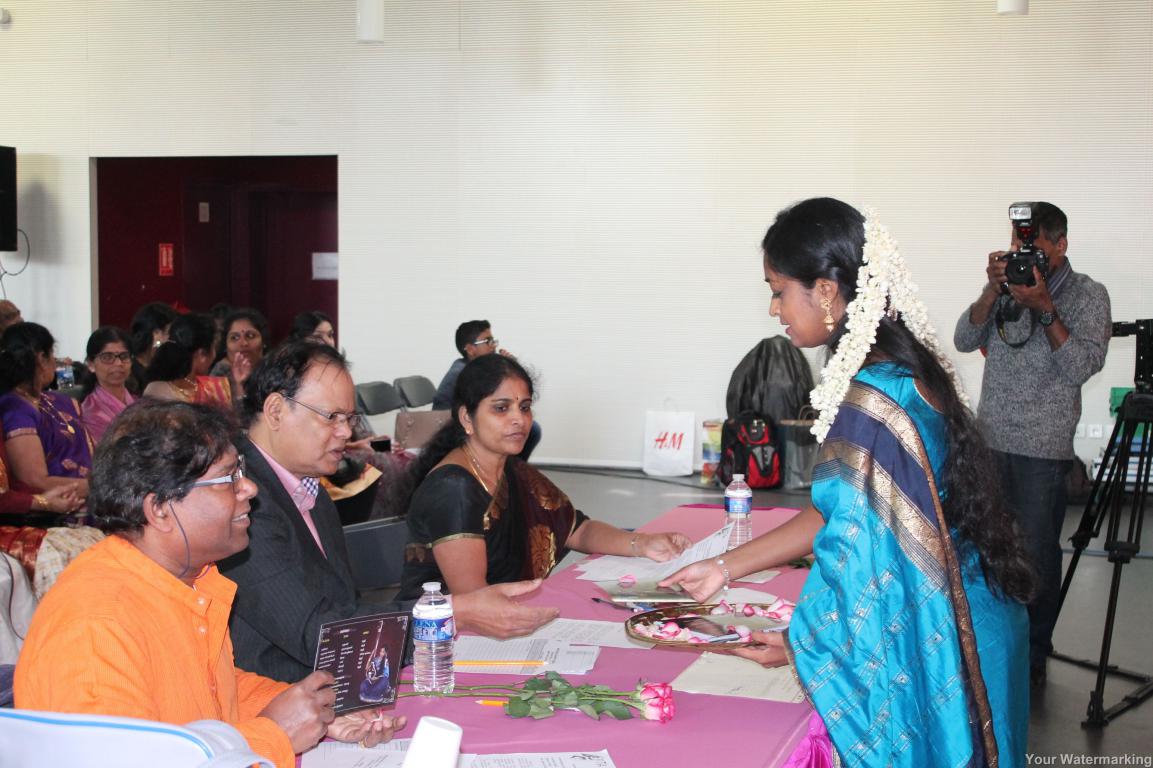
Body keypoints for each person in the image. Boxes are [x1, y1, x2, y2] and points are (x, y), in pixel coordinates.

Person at [662, 198, 1033, 767]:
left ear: (826, 291)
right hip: (973, 619)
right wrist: (722, 568)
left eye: (778, 290)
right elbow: (835, 510)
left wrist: (800, 644)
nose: (773, 308)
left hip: (944, 644)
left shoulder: (873, 400)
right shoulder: (897, 370)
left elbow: (856, 563)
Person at [14, 400, 404, 768]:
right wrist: (275, 732)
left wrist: (312, 709)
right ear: (159, 509)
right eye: (228, 479)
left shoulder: (187, 578)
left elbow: (213, 692)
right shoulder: (95, 626)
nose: (249, 488)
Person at [218, 341, 560, 683]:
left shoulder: (311, 491)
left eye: (349, 418)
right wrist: (452, 613)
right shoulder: (240, 500)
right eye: (331, 417)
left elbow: (344, 608)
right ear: (276, 411)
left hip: (338, 683)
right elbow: (318, 634)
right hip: (275, 697)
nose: (346, 432)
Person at [953, 201, 1111, 688]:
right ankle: (987, 640)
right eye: (1019, 245)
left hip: (1043, 447)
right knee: (983, 545)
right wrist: (991, 289)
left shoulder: (1088, 295)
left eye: (1036, 247)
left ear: (1061, 245)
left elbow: (1081, 366)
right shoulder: (1005, 290)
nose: (1025, 256)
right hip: (991, 437)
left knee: (1036, 555)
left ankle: (1034, 653)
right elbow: (964, 339)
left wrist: (1045, 309)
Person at [398, 353, 691, 602]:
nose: (519, 419)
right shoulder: (454, 489)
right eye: (501, 408)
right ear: (466, 418)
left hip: (501, 614)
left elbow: (578, 529)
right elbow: (475, 602)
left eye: (524, 407)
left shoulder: (512, 470)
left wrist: (642, 544)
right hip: (440, 636)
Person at [0, 322, 92, 503]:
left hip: (88, 496)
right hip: (57, 508)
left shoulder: (58, 401)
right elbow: (35, 481)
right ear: (41, 358)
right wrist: (100, 488)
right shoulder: (16, 410)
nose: (55, 362)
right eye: (53, 355)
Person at [434, 320, 542, 459]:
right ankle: (510, 467)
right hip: (453, 428)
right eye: (487, 341)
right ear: (470, 349)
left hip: (467, 423)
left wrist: (509, 366)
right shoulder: (462, 372)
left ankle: (510, 467)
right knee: (532, 430)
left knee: (531, 429)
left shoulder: (477, 369)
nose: (493, 346)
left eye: (493, 341)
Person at [143, 313, 235, 406]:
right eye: (213, 347)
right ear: (202, 354)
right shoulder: (216, 390)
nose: (214, 355)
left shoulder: (154, 389)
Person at [79, 326, 136, 443]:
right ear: (91, 364)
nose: (118, 363)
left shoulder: (139, 401)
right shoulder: (90, 412)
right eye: (107, 357)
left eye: (124, 356)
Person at [127, 302, 179, 396]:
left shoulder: (166, 370)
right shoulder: (128, 374)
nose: (174, 341)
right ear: (156, 334)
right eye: (170, 334)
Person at [211, 308, 269, 382]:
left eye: (251, 336)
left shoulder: (275, 370)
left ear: (264, 341)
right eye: (234, 338)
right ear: (225, 345)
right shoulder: (219, 375)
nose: (243, 343)